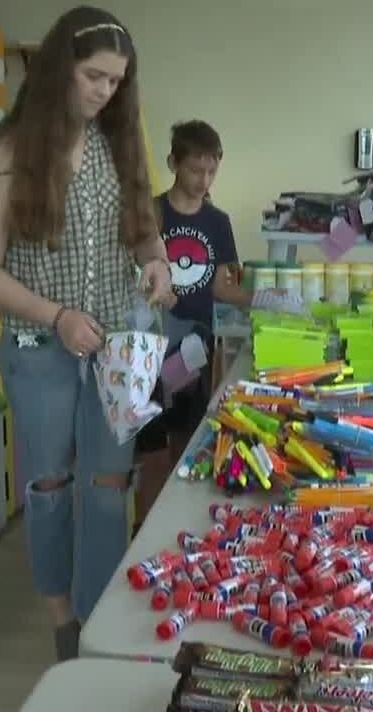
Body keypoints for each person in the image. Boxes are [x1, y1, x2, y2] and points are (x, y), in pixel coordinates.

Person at [0, 5, 173, 662]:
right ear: (60, 69)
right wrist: (55, 316)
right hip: (39, 347)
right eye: (93, 76)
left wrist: (157, 262)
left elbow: (143, 228)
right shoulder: (11, 152)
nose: (104, 91)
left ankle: (100, 615)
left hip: (117, 345)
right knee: (50, 483)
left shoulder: (119, 146)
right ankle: (63, 619)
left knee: (109, 484)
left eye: (115, 80)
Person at [134, 120, 251, 524]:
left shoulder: (218, 223)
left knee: (189, 446)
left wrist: (263, 298)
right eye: (195, 169)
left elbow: (222, 287)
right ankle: (144, 528)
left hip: (195, 350)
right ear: (173, 163)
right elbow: (132, 275)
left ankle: (177, 528)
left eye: (212, 171)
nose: (204, 180)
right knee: (151, 451)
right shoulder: (151, 213)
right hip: (148, 351)